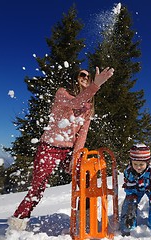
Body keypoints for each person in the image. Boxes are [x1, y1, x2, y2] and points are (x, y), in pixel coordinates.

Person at [7, 66, 115, 231]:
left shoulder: (88, 108)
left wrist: (76, 156)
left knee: (85, 182)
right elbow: (75, 102)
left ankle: (85, 220)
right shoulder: (62, 93)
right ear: (75, 78)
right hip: (49, 147)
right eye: (82, 75)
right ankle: (17, 222)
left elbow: (82, 134)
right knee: (38, 188)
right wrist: (97, 85)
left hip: (69, 150)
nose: (85, 78)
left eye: (88, 77)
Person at [120, 143, 151, 239]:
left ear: (147, 162)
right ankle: (128, 230)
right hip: (136, 189)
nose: (138, 167)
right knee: (128, 206)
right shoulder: (129, 172)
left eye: (141, 164)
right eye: (135, 164)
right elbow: (130, 190)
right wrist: (131, 205)